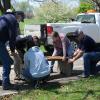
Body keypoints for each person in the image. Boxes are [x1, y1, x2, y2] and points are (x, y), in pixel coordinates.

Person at [0, 11, 18, 90]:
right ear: (17, 15)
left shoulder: (3, 17)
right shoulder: (12, 19)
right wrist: (12, 50)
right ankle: (6, 84)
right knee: (7, 62)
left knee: (7, 61)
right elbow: (12, 37)